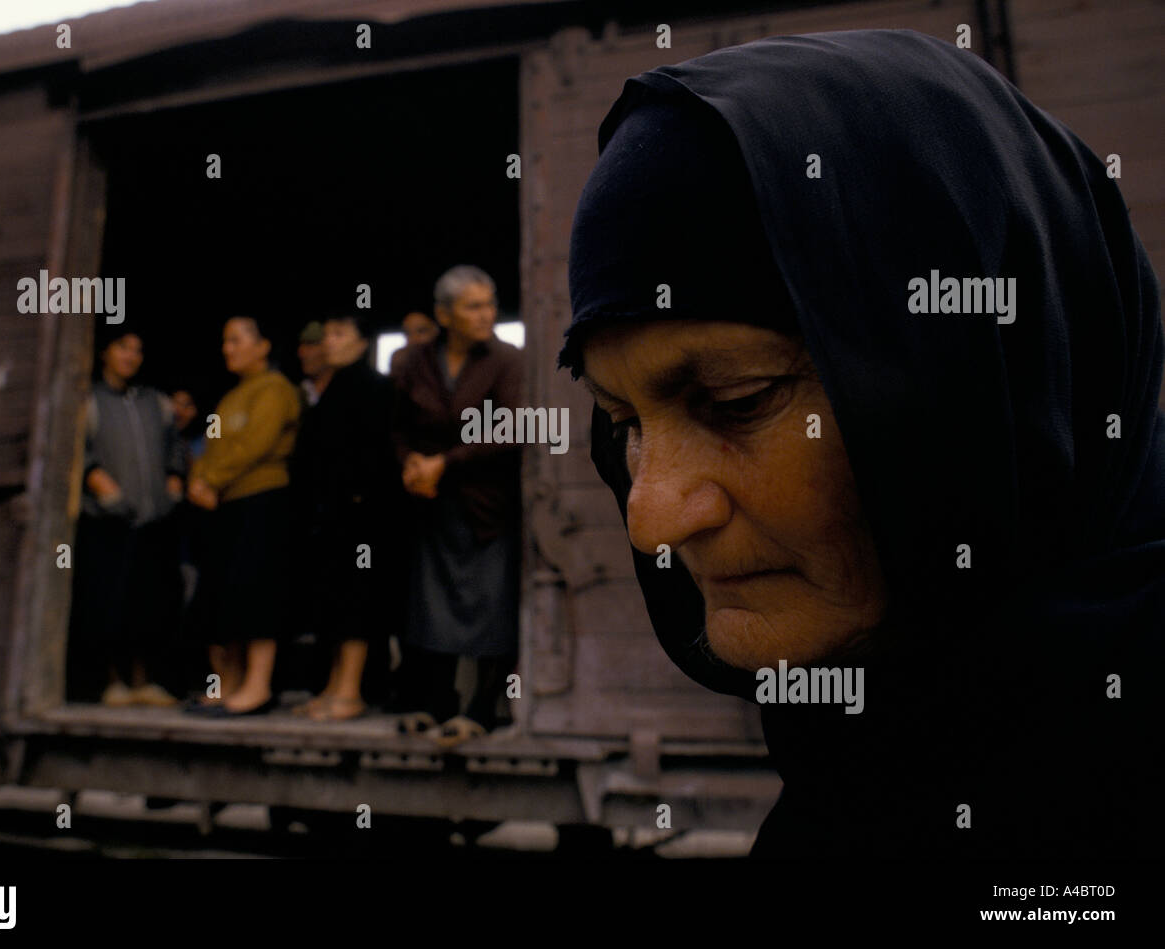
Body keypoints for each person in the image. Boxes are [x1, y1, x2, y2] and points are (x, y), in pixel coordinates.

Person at [557, 30, 1164, 858]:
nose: (652, 519)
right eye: (623, 423)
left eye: (739, 402)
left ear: (983, 376)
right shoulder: (853, 765)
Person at [391, 266, 523, 745]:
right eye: (473, 306)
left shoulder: (509, 360)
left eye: (489, 303)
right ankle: (434, 701)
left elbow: (511, 427)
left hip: (488, 505)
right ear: (444, 314)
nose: (486, 313)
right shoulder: (414, 362)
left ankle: (482, 708)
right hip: (431, 503)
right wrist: (411, 464)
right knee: (430, 605)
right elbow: (399, 425)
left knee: (491, 606)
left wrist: (444, 462)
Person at [185, 315, 301, 716]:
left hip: (262, 503)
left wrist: (211, 479)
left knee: (257, 593)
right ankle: (226, 685)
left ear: (263, 346)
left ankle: (258, 687)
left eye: (236, 340)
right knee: (224, 595)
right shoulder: (231, 397)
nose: (227, 349)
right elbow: (209, 444)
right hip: (226, 506)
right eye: (225, 341)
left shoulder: (275, 389)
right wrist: (198, 478)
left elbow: (258, 443)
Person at [290, 315, 402, 721]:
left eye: (339, 335)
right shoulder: (332, 388)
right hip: (331, 515)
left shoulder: (374, 386)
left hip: (363, 515)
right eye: (328, 334)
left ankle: (351, 691)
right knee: (332, 599)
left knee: (358, 599)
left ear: (361, 343)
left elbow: (377, 454)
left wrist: (356, 496)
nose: (329, 343)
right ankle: (333, 686)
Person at [66, 328, 184, 707]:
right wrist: (102, 485)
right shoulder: (89, 400)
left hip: (152, 523)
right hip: (107, 522)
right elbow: (75, 450)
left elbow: (175, 449)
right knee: (105, 604)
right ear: (105, 353)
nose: (132, 356)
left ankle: (143, 682)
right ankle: (109, 682)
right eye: (123, 348)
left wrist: (174, 482)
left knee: (149, 605)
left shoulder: (156, 402)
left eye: (138, 350)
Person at [390, 311, 440, 376]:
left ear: (435, 330)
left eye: (421, 331)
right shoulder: (402, 363)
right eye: (408, 333)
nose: (413, 339)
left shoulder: (446, 361)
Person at [296, 320, 333, 408]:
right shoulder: (300, 392)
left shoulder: (347, 390)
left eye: (310, 346)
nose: (301, 353)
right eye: (302, 346)